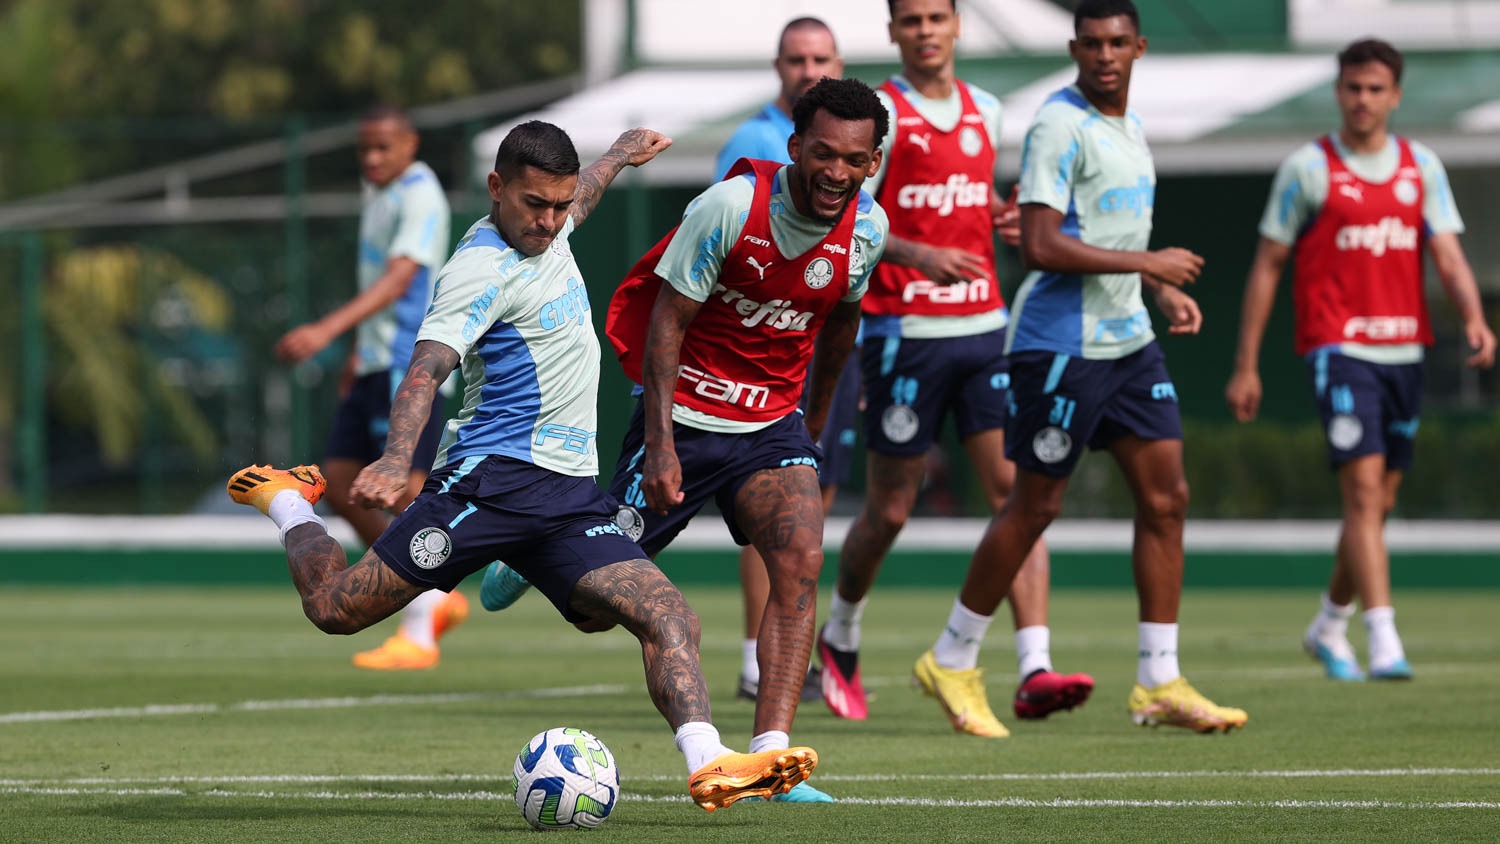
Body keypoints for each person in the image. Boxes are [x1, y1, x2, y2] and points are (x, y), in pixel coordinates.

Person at [228, 121, 817, 811]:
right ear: (496, 189)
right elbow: (426, 368)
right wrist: (394, 458)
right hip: (488, 486)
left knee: (669, 615)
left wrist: (620, 155)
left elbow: (585, 193)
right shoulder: (477, 269)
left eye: (559, 205)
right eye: (535, 204)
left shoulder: (554, 218)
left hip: (566, 500)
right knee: (335, 609)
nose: (549, 220)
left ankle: (709, 759)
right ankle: (288, 500)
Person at [954, 0, 1248, 733]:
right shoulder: (1058, 123)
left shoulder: (1132, 127)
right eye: (1091, 43)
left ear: (1139, 47)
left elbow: (1102, 231)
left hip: (1128, 341)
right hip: (1058, 347)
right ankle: (953, 659)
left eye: (1118, 42)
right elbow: (1044, 245)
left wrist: (1155, 288)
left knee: (1167, 498)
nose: (1105, 55)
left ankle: (1159, 680)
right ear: (1075, 47)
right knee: (1035, 507)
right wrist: (1150, 261)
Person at [603, 76, 890, 802]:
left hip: (771, 425)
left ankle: (771, 758)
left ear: (873, 162)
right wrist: (662, 444)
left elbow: (841, 329)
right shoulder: (731, 207)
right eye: (822, 154)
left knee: (799, 561)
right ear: (795, 147)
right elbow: (666, 323)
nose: (836, 172)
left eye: (854, 160)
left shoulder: (868, 228)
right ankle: (549, 539)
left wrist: (815, 424)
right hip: (686, 419)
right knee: (588, 601)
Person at [817, 0, 1092, 738]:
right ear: (894, 33)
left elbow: (970, 200)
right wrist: (918, 255)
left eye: (938, 16)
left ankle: (1034, 666)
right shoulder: (886, 115)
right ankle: (841, 632)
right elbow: (850, 215)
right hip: (905, 332)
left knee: (1021, 493)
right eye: (912, 20)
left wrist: (1000, 216)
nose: (927, 29)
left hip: (987, 329)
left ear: (957, 26)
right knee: (892, 509)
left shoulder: (988, 109)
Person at [1225, 38, 1495, 682]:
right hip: (1339, 347)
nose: (1363, 100)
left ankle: (1327, 626)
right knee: (1364, 492)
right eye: (1352, 88)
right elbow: (1267, 264)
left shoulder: (1420, 167)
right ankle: (1385, 638)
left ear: (1396, 95)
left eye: (1376, 89)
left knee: (1376, 504)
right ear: (1337, 92)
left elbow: (1450, 255)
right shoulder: (1308, 169)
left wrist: (1475, 318)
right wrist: (1246, 363)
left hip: (1406, 349)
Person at [272, 104, 465, 671]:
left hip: (411, 363)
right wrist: (357, 353)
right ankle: (432, 592)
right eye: (364, 148)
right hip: (376, 359)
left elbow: (402, 279)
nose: (372, 158)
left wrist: (327, 330)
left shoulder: (420, 193)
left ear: (411, 144)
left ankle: (420, 625)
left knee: (407, 489)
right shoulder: (380, 195)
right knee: (337, 480)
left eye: (383, 147)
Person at [714, 16, 849, 705]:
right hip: (753, 357)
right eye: (797, 58)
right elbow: (721, 242)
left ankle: (779, 661)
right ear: (778, 66)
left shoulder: (852, 140)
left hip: (816, 347)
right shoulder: (753, 142)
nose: (809, 68)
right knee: (763, 514)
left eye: (820, 57)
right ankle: (750, 657)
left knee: (804, 519)